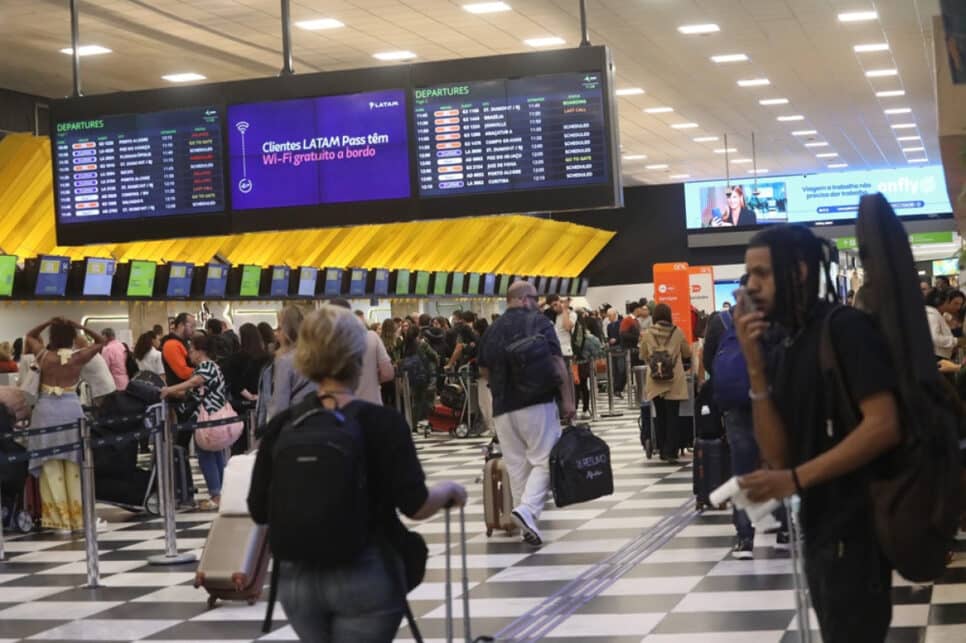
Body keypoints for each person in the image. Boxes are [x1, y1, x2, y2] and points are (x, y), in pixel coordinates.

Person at [248, 305, 467, 642]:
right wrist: (449, 491)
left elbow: (259, 509)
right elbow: (416, 505)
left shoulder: (285, 425)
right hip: (364, 572)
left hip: (297, 581)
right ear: (356, 355)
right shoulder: (382, 423)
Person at [734, 224, 901, 643]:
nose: (750, 285)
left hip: (859, 532)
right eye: (748, 275)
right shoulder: (788, 344)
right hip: (820, 532)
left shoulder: (845, 329)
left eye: (762, 273)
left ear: (799, 272)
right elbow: (779, 456)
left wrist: (794, 480)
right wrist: (754, 365)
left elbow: (883, 424)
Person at [478, 281, 574, 547]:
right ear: (521, 298)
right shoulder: (539, 323)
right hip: (536, 402)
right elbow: (557, 363)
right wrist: (567, 400)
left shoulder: (492, 329)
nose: (537, 303)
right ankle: (527, 510)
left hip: (502, 408)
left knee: (517, 467)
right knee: (546, 460)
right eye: (534, 298)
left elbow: (483, 370)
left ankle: (526, 526)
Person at [703, 281, 789, 559]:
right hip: (769, 402)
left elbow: (708, 361)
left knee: (741, 469)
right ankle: (783, 527)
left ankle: (744, 537)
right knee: (775, 461)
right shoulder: (774, 321)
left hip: (735, 404)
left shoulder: (721, 321)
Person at [24, 318, 105, 532]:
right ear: (71, 337)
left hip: (45, 411)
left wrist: (46, 322)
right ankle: (78, 518)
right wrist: (80, 327)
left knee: (49, 464)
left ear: (52, 336)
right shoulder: (78, 357)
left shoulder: (43, 356)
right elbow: (101, 341)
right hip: (71, 409)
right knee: (74, 464)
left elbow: (30, 335)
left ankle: (58, 521)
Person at [161, 333, 233, 511]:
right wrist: (172, 392)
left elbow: (194, 383)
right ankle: (222, 492)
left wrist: (169, 389)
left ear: (200, 351)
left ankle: (216, 495)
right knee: (216, 454)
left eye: (191, 350)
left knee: (206, 455)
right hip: (213, 417)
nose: (189, 354)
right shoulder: (211, 366)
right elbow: (192, 391)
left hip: (208, 418)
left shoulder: (206, 366)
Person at [639, 303, 691, 463]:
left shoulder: (647, 333)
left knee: (660, 415)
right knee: (673, 415)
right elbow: (686, 353)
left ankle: (661, 449)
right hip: (674, 378)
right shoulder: (678, 332)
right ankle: (671, 451)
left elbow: (642, 355)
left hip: (655, 379)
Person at [330, 299, 394, 406]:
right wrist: (372, 379)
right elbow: (388, 373)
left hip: (341, 408)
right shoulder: (372, 337)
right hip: (372, 405)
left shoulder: (326, 343)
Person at [268, 306, 314, 420]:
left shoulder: (285, 362)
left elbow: (279, 407)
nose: (276, 334)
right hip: (319, 419)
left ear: (288, 331)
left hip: (296, 422)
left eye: (279, 328)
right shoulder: (319, 355)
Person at [399, 325, 438, 423]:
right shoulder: (422, 344)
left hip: (410, 376)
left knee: (415, 400)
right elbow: (435, 356)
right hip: (423, 375)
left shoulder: (404, 344)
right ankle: (425, 421)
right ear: (418, 334)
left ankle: (413, 422)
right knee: (426, 399)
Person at [925, 288, 958, 360]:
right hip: (937, 357)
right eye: (947, 302)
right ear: (939, 302)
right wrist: (956, 341)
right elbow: (934, 338)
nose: (948, 305)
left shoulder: (938, 314)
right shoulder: (932, 315)